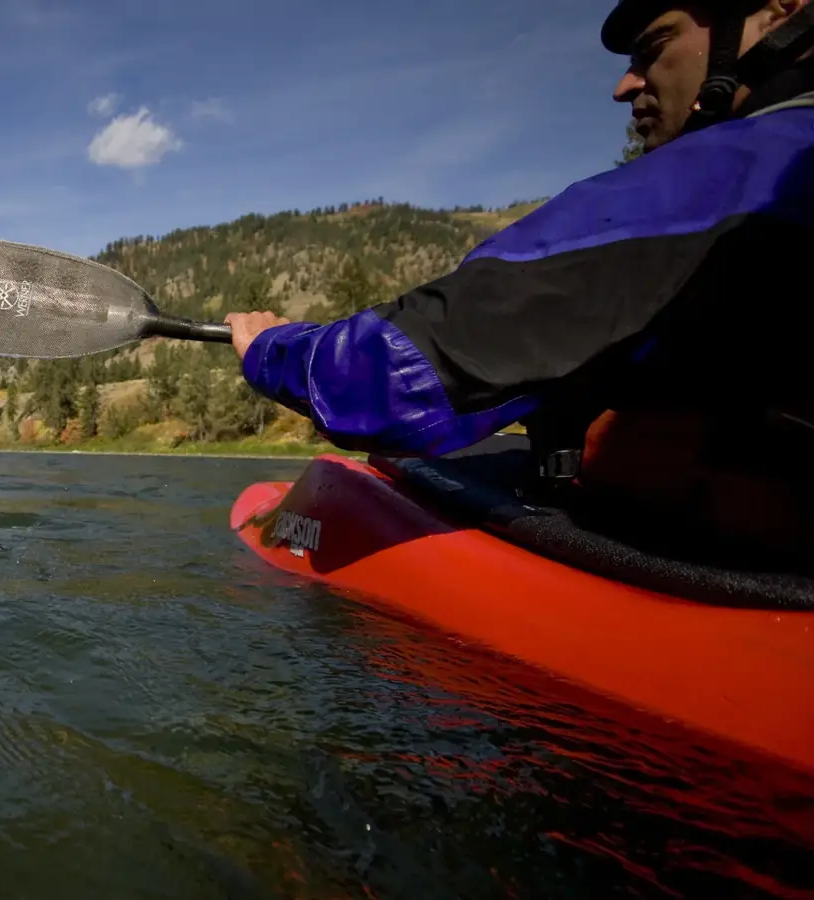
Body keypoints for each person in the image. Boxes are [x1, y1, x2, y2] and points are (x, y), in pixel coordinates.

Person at [223, 0, 814, 563]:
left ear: (780, 12)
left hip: (735, 555)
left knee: (399, 467)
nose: (625, 85)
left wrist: (274, 350)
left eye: (654, 47)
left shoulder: (739, 174)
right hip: (756, 521)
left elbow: (392, 376)